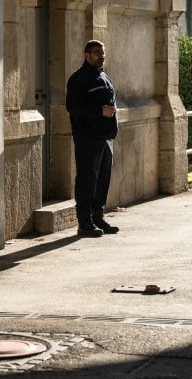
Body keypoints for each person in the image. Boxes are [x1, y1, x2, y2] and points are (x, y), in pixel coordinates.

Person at [66, 40, 120, 238]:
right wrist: (99, 111)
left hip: (106, 138)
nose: (101, 56)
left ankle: (98, 217)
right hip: (87, 138)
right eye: (97, 53)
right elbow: (73, 107)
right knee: (87, 179)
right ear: (87, 54)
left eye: (103, 53)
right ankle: (84, 222)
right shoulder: (78, 79)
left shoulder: (104, 76)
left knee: (102, 179)